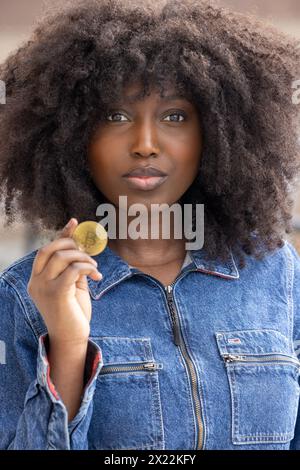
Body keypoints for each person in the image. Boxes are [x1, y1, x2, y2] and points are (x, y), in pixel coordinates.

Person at [0, 0, 300, 450]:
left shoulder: (275, 270)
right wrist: (67, 344)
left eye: (175, 116)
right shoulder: (26, 293)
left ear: (218, 133)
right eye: (115, 116)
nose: (144, 145)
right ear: (71, 135)